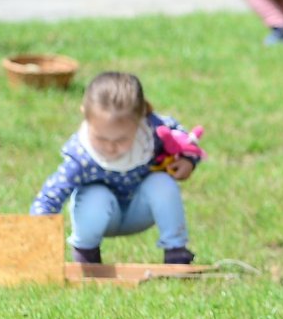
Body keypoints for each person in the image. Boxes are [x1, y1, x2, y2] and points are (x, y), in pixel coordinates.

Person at [29, 71, 200, 265]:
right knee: (95, 195)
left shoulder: (153, 133)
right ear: (85, 116)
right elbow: (50, 197)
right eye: (101, 138)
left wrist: (188, 161)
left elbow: (184, 139)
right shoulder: (81, 157)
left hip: (140, 211)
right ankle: (87, 256)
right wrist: (33, 240)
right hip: (100, 218)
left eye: (121, 139)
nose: (110, 147)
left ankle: (176, 252)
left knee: (162, 183)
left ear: (141, 120)